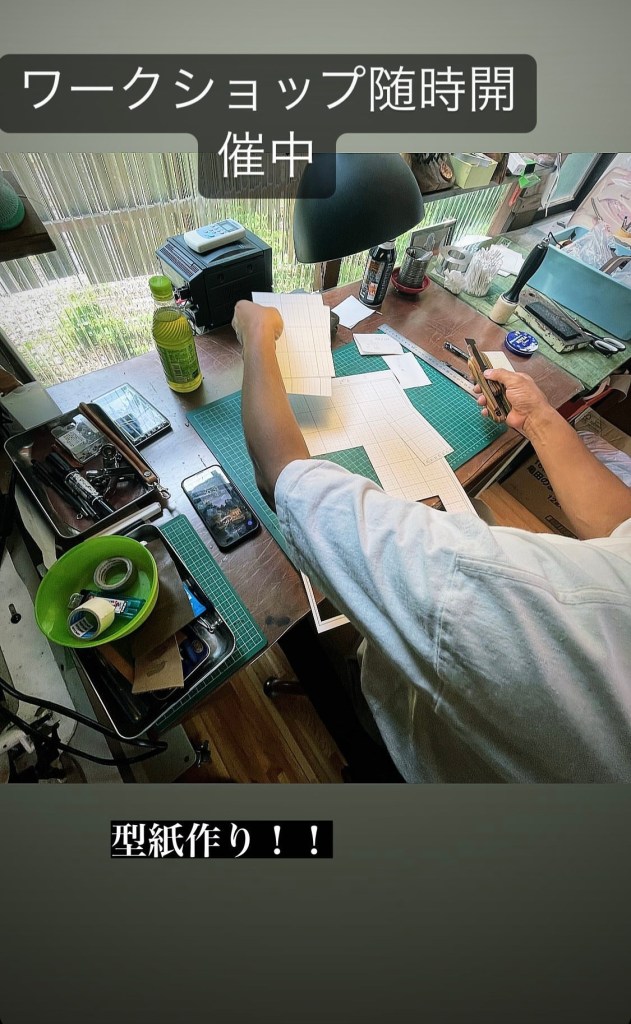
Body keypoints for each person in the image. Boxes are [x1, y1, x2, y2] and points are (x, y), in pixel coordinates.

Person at [232, 299, 631, 783]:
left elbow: (284, 478)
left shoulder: (511, 602)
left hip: (425, 747)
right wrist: (540, 419)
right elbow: (622, 525)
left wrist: (256, 334)